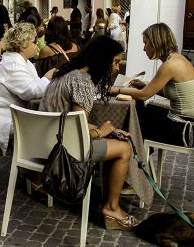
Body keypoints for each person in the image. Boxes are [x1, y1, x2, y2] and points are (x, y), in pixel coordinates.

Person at [40, 36, 138, 230]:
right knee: (124, 149)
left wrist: (109, 131)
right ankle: (111, 208)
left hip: (46, 142)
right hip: (63, 150)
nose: (117, 68)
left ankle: (107, 203)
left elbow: (73, 120)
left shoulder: (64, 74)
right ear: (102, 58)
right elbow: (79, 130)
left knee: (114, 142)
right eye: (115, 61)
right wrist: (100, 132)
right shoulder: (82, 80)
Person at [111, 23, 194, 147]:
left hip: (184, 130)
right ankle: (141, 151)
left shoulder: (169, 65)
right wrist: (145, 85)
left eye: (145, 43)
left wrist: (115, 90)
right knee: (148, 110)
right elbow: (175, 92)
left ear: (156, 42)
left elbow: (143, 96)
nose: (144, 49)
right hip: (187, 123)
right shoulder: (179, 59)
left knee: (136, 118)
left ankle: (133, 152)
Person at [0, 22, 55, 154]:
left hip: (10, 113)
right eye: (34, 41)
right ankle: (38, 158)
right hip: (4, 118)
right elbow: (30, 92)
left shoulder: (21, 60)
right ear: (23, 44)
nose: (37, 44)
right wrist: (47, 77)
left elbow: (33, 86)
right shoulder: (14, 64)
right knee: (50, 125)